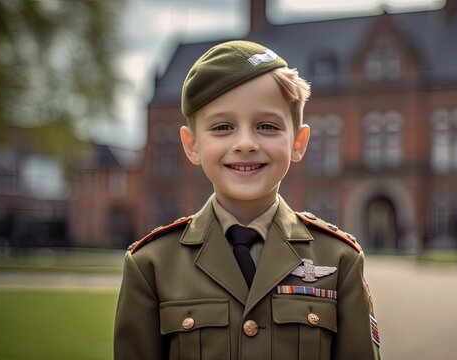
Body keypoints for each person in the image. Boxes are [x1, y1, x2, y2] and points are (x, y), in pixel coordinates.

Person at [114, 40, 381, 359]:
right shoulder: (151, 265)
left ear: (298, 142)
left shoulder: (340, 261)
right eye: (222, 127)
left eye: (267, 126)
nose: (245, 143)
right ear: (192, 144)